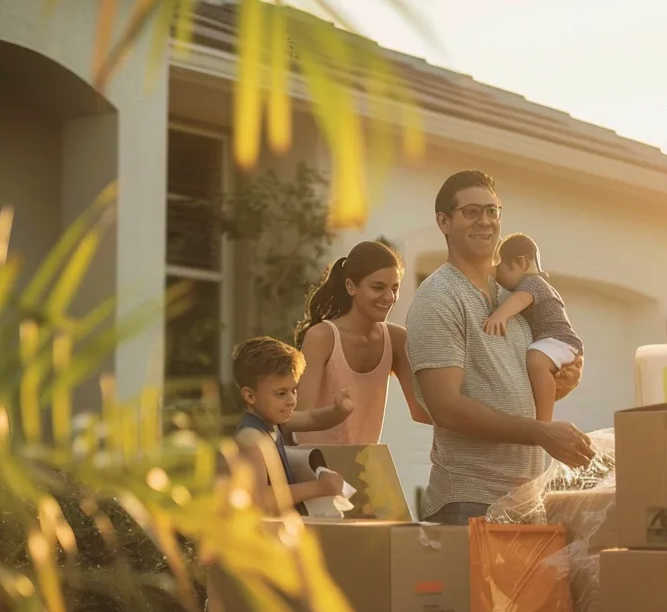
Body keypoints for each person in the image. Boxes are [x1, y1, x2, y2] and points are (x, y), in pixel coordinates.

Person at [407, 170, 595, 526]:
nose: (486, 222)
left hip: (528, 500)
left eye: (493, 211)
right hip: (470, 503)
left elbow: (509, 388)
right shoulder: (438, 297)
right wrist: (540, 431)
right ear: (444, 222)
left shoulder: (516, 295)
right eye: (472, 212)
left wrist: (560, 385)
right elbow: (445, 407)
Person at [293, 240, 431, 444]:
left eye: (395, 288)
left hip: (364, 465)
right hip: (315, 463)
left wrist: (481, 418)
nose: (389, 297)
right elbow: (300, 416)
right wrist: (337, 413)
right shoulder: (322, 337)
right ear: (351, 286)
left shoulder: (396, 340)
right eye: (378, 287)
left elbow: (421, 410)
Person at [231, 336, 351, 513]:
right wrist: (318, 488)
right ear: (250, 396)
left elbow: (313, 419)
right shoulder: (252, 440)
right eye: (281, 394)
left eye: (293, 390)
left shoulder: (273, 420)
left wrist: (340, 411)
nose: (291, 401)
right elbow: (258, 500)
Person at [483, 233, 583, 422]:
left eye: (501, 267)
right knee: (537, 366)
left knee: (536, 361)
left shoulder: (533, 283)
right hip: (556, 342)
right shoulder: (526, 282)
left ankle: (544, 420)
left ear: (521, 263)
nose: (498, 275)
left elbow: (520, 299)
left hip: (560, 339)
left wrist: (500, 315)